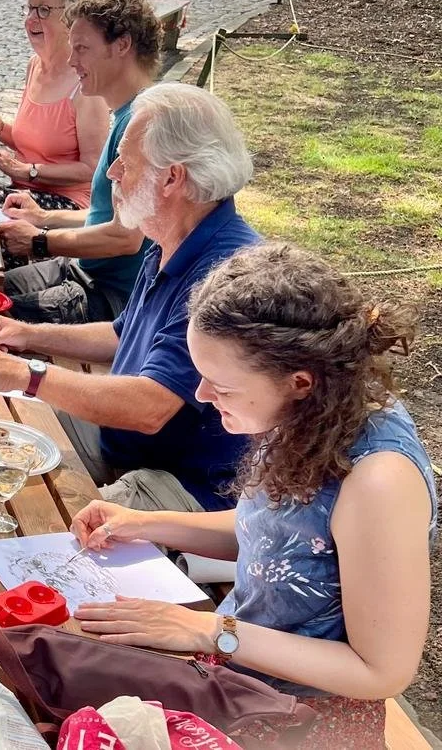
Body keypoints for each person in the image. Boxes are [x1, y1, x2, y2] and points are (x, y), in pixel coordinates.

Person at [69, 243, 436, 749]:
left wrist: (209, 631)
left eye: (220, 384)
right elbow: (275, 538)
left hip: (303, 718)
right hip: (237, 667)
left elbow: (382, 672)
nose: (201, 395)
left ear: (299, 381)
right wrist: (143, 523)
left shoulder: (378, 482)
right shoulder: (307, 412)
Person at [0, 83, 259, 513]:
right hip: (123, 443)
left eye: (125, 162)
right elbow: (121, 334)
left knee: (22, 514)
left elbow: (150, 407)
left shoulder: (225, 276)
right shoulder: (172, 234)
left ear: (172, 178)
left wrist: (27, 374)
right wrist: (25, 334)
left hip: (183, 484)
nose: (112, 173)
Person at [0, 0, 156, 325]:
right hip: (82, 271)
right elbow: (104, 216)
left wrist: (40, 241)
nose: (71, 60)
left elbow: (126, 237)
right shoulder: (126, 113)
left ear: (122, 45)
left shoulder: (143, 124)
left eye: (81, 48)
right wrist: (42, 217)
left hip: (111, 297)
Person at [0, 0, 109, 222]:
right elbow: (35, 145)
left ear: (71, 18)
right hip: (23, 192)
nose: (31, 19)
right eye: (29, 9)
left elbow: (92, 168)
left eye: (44, 10)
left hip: (64, 206)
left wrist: (29, 171)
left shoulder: (85, 83)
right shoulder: (34, 66)